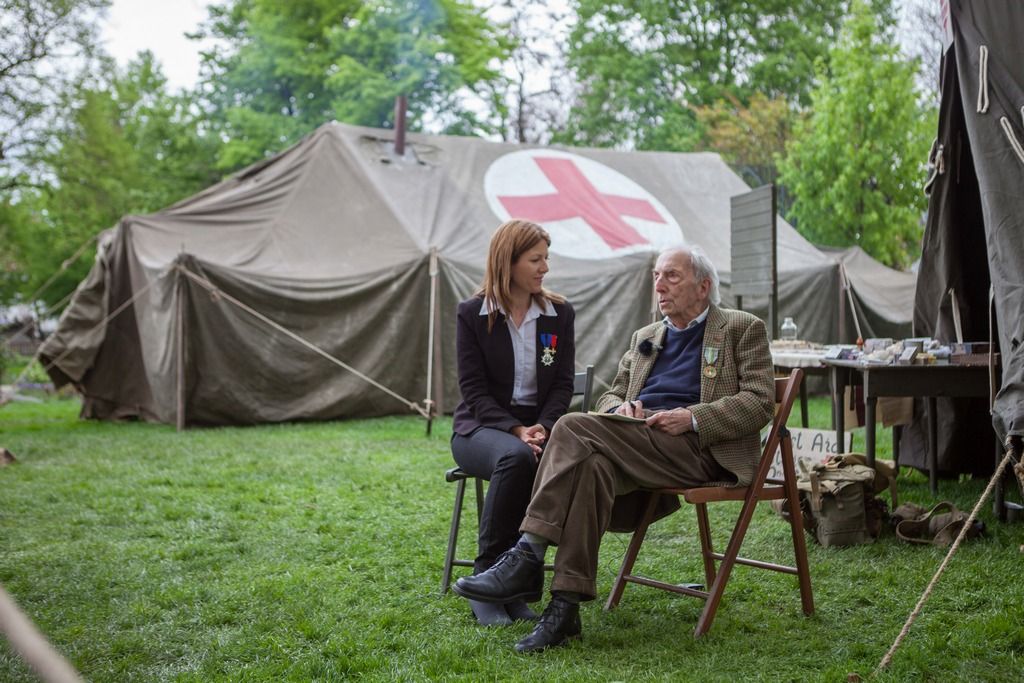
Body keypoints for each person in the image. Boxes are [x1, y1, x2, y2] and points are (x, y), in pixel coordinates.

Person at [452, 244, 774, 652]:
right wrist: (622, 408)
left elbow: (760, 402)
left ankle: (528, 553)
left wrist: (691, 417)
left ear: (703, 286)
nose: (659, 284)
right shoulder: (647, 336)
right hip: (636, 440)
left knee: (570, 426)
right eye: (656, 275)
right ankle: (565, 609)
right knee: (592, 468)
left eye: (671, 276)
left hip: (697, 447)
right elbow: (610, 397)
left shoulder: (742, 328)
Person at [451, 219, 576, 626]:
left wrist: (543, 424)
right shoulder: (473, 314)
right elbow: (473, 391)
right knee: (517, 458)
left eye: (546, 259)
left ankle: (516, 588)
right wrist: (516, 430)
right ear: (509, 262)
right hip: (480, 428)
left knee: (535, 457)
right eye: (535, 259)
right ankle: (487, 578)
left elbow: (562, 384)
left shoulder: (558, 314)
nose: (544, 268)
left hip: (538, 427)